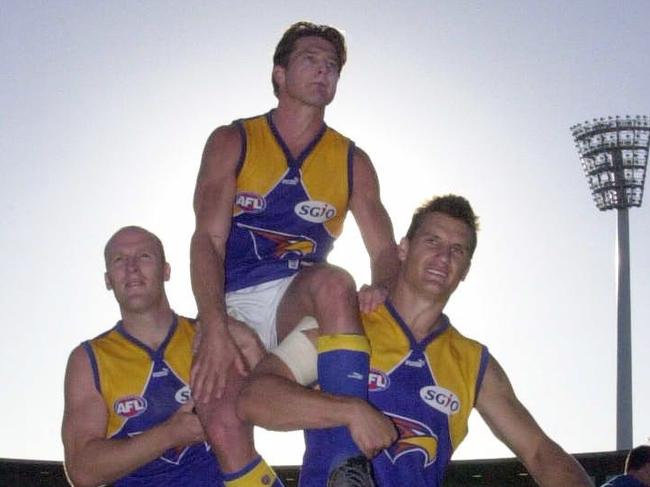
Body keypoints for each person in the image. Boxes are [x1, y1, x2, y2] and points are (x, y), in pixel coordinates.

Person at [238, 195, 595, 487]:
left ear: (466, 269)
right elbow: (255, 398)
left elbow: (539, 453)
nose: (443, 257)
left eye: (458, 250)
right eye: (433, 241)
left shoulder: (474, 364)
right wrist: (348, 411)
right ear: (403, 249)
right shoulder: (344, 321)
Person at [190, 21, 399, 486]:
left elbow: (385, 249)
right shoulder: (234, 139)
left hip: (297, 302)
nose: (323, 71)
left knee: (335, 280)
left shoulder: (351, 160)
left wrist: (382, 287)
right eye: (310, 59)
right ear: (279, 73)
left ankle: (345, 466)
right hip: (232, 301)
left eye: (332, 66)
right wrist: (214, 322)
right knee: (222, 422)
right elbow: (207, 240)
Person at [62, 226, 262, 486]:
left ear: (166, 271)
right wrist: (171, 434)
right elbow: (82, 471)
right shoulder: (89, 359)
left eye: (144, 256)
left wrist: (254, 347)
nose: (131, 267)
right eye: (119, 260)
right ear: (108, 279)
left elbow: (276, 408)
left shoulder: (214, 337)